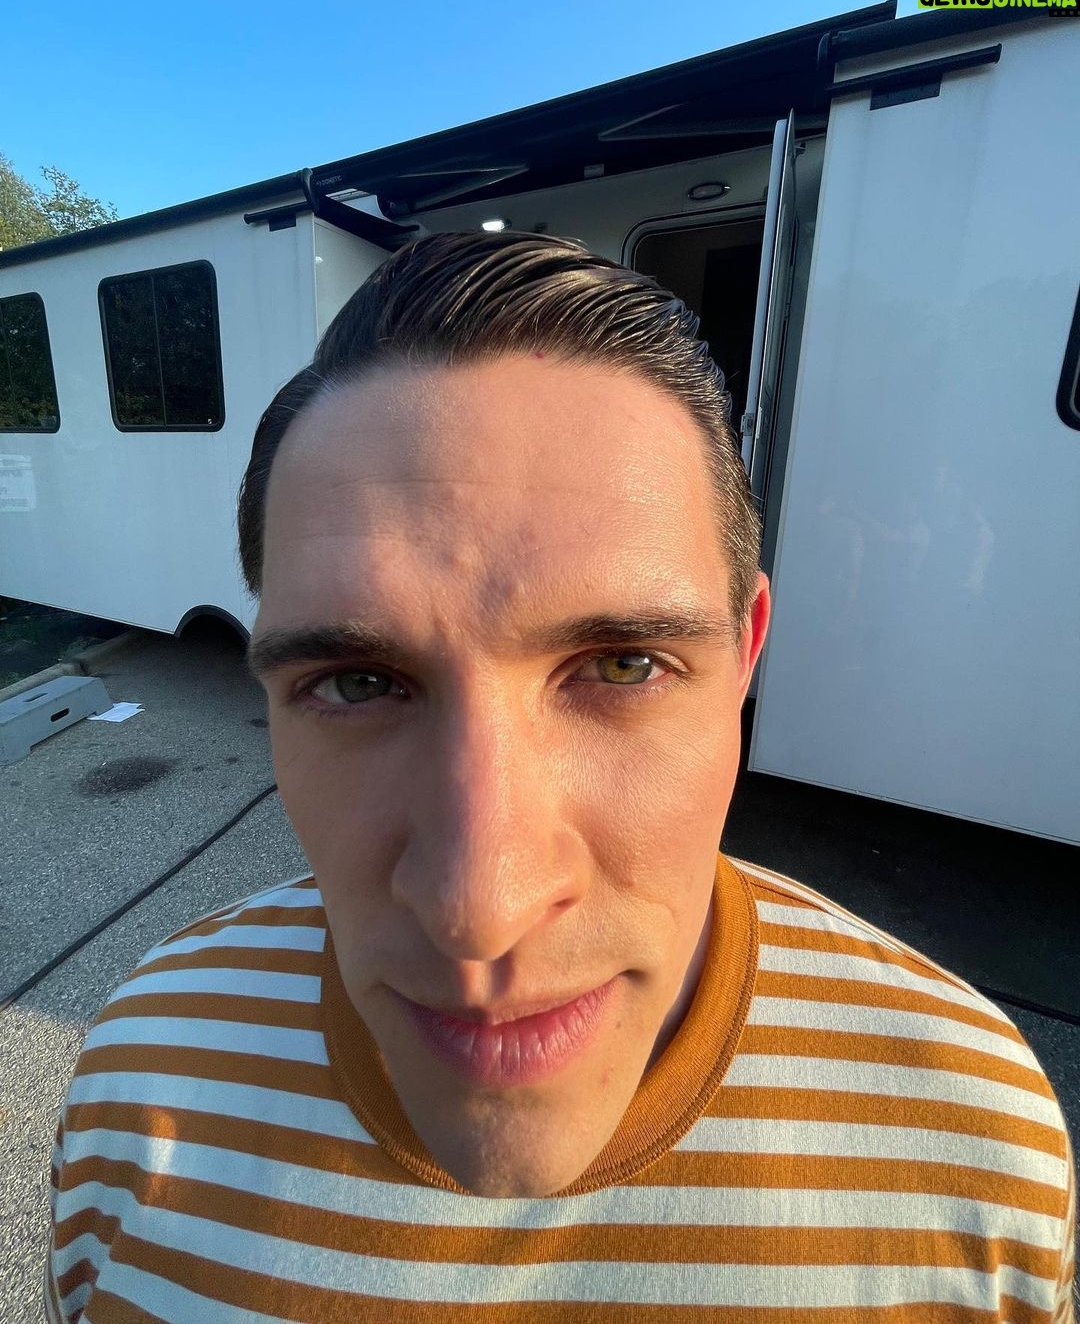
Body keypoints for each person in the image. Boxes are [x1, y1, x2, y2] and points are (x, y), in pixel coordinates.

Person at [47, 231, 1075, 1322]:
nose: (477, 912)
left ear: (745, 658)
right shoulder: (141, 1076)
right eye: (356, 682)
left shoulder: (979, 1144)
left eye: (624, 664)